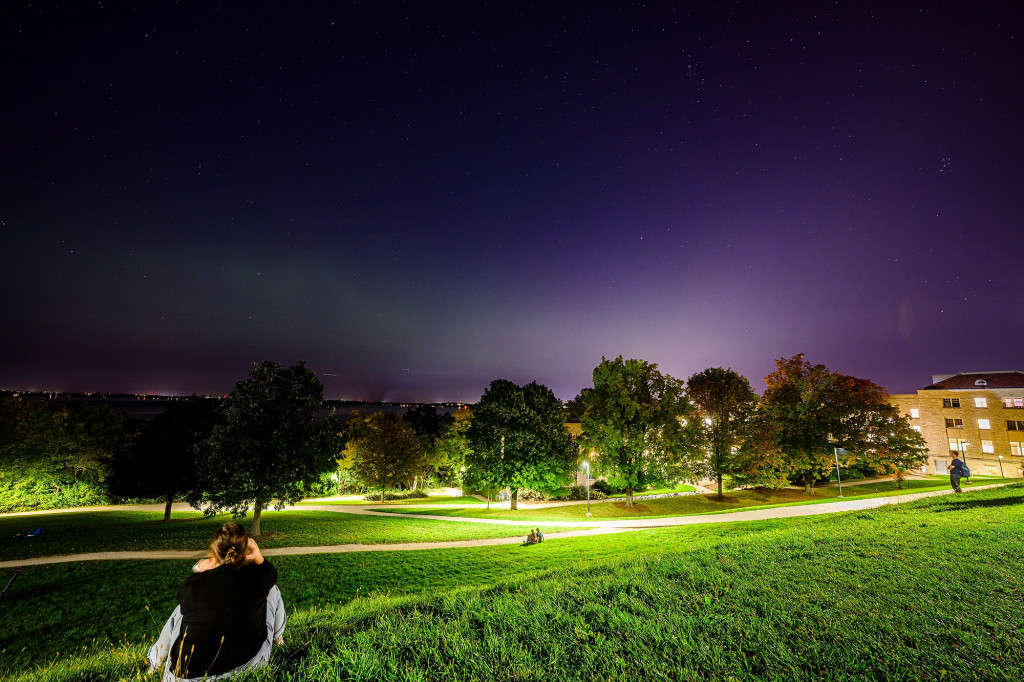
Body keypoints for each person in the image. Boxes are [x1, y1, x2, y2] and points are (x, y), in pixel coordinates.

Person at [148, 522, 286, 681]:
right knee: (272, 590)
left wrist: (202, 567)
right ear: (246, 549)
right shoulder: (259, 577)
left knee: (180, 611)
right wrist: (258, 557)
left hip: (184, 677)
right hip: (247, 666)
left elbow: (196, 596)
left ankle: (154, 661)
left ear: (214, 550)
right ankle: (278, 640)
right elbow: (270, 572)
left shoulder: (191, 586)